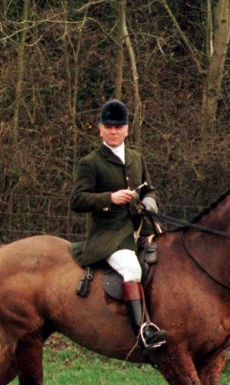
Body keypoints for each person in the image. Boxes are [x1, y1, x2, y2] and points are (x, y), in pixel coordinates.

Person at [70, 99, 167, 349]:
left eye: (118, 126)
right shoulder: (90, 162)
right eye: (108, 126)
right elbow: (77, 200)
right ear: (100, 129)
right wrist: (109, 199)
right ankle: (143, 332)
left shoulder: (137, 158)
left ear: (127, 129)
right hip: (109, 235)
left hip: (142, 230)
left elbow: (151, 189)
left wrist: (150, 202)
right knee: (131, 269)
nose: (114, 131)